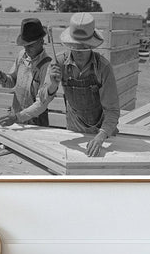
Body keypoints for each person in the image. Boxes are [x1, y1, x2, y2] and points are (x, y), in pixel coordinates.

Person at [40, 12, 120, 157]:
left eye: (84, 47)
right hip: (74, 128)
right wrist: (52, 85)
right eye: (74, 46)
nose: (78, 52)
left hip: (102, 130)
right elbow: (42, 100)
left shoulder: (103, 67)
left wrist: (101, 136)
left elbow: (112, 110)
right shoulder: (59, 63)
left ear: (92, 45)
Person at [0, 18, 51, 127]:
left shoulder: (47, 65)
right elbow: (13, 80)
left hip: (36, 122)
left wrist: (17, 117)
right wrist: (5, 79)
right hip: (15, 116)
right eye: (24, 45)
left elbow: (41, 103)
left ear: (41, 41)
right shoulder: (22, 56)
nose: (26, 48)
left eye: (30, 45)